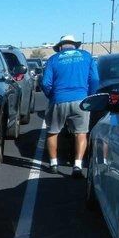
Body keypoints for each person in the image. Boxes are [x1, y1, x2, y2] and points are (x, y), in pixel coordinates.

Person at [41, 34, 99, 178]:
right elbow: (95, 79)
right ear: (75, 45)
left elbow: (45, 83)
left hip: (59, 99)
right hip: (81, 99)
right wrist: (89, 96)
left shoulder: (53, 59)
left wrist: (52, 96)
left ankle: (54, 164)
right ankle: (77, 166)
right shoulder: (86, 56)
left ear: (60, 47)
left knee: (53, 131)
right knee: (81, 133)